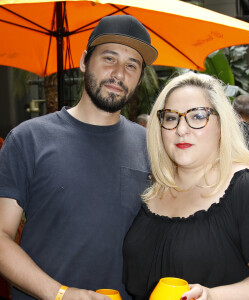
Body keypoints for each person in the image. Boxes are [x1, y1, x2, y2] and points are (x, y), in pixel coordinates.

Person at [0, 15, 158, 300]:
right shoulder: (28, 139)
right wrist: (61, 294)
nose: (119, 74)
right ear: (85, 60)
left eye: (132, 65)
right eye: (109, 58)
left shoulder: (151, 146)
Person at [123, 72, 249, 300]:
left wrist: (211, 296)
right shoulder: (153, 191)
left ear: (221, 124)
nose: (181, 129)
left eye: (197, 116)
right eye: (170, 117)